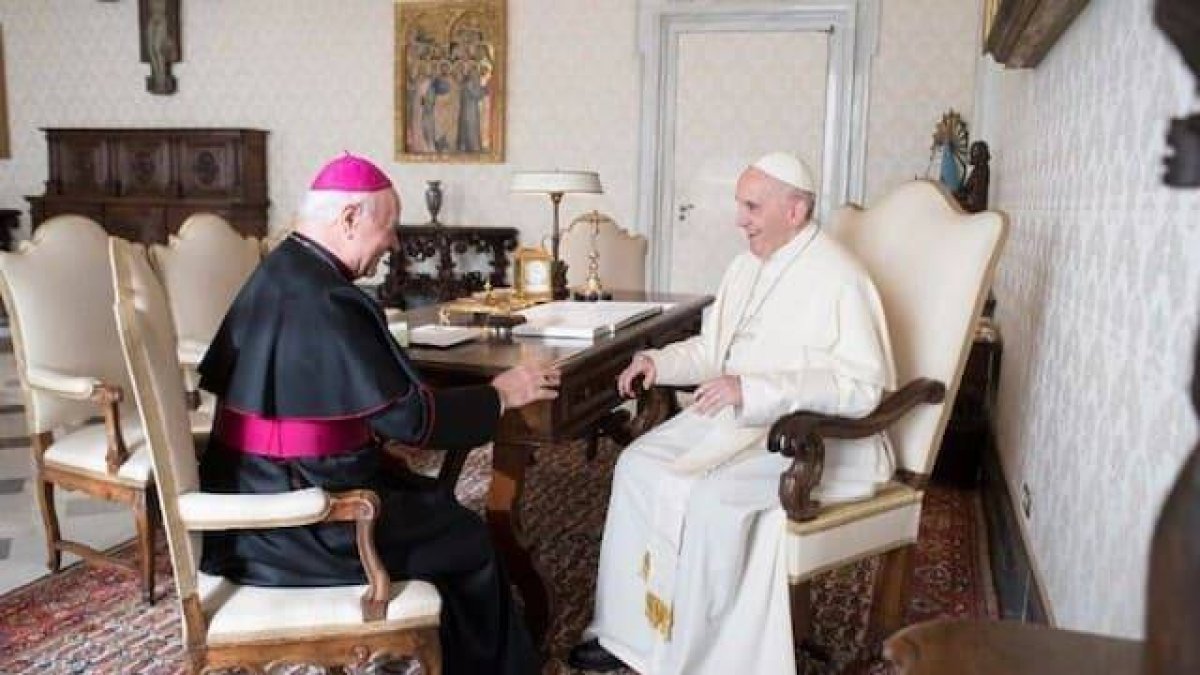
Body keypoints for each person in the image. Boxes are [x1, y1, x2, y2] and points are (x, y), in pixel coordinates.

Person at [197, 153, 556, 675]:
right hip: (298, 524)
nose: (391, 243)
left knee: (427, 500)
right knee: (467, 537)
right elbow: (414, 422)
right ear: (348, 218)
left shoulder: (283, 271)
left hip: (256, 496)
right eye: (386, 228)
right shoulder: (327, 297)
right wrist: (501, 393)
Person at [568, 152, 896, 674]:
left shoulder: (841, 277)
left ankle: (699, 658)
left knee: (708, 497)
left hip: (812, 438)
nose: (738, 219)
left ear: (795, 210)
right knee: (635, 467)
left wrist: (754, 390)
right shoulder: (746, 266)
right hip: (735, 420)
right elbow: (713, 349)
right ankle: (626, 636)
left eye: (751, 206)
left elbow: (861, 388)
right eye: (740, 205)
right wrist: (658, 360)